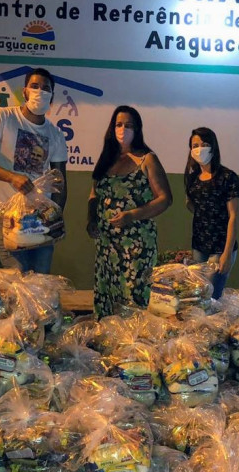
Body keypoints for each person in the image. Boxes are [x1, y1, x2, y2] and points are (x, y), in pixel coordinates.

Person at [0, 68, 68, 274]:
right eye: (34, 86)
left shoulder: (56, 134)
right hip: (8, 216)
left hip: (41, 218)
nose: (40, 92)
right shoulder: (3, 117)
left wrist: (54, 217)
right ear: (24, 92)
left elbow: (60, 181)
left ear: (51, 96)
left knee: (41, 280)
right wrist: (12, 177)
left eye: (46, 88)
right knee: (17, 279)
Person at [87, 106, 172, 318]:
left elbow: (165, 199)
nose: (123, 129)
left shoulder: (147, 159)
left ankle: (135, 338)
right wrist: (92, 219)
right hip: (107, 245)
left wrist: (132, 215)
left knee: (134, 295)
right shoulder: (107, 159)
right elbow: (94, 194)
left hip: (136, 245)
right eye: (118, 124)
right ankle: (109, 335)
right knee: (107, 293)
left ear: (137, 129)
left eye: (128, 125)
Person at [184, 127, 239, 300]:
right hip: (199, 246)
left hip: (220, 247)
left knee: (211, 298)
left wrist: (227, 254)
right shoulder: (192, 178)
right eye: (195, 145)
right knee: (199, 298)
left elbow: (233, 216)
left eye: (204, 144)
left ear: (213, 147)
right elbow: (193, 206)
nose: (199, 149)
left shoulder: (227, 177)